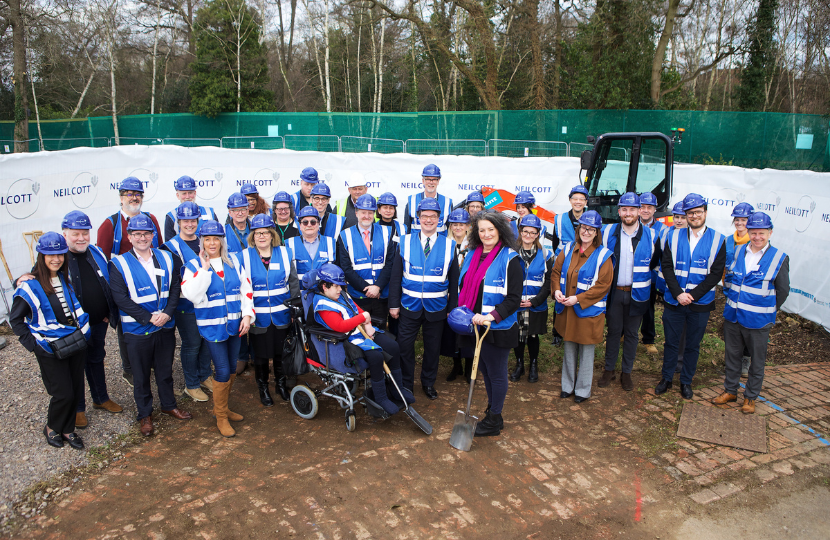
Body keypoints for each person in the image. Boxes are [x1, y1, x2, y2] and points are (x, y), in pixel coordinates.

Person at [109, 215, 192, 437]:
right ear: (129, 237)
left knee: (165, 370)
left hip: (164, 325)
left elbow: (176, 287)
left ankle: (168, 404)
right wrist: (147, 318)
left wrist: (166, 313)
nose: (142, 238)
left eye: (146, 233)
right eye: (137, 234)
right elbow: (120, 298)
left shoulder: (167, 257)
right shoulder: (119, 263)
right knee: (141, 375)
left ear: (153, 235)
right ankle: (144, 414)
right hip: (137, 330)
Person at [11, 232, 91, 450]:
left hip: (74, 342)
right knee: (62, 392)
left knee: (75, 389)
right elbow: (15, 319)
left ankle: (68, 429)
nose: (56, 259)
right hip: (49, 346)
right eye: (50, 255)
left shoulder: (64, 279)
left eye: (60, 255)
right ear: (41, 256)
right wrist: (33, 345)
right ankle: (52, 427)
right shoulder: (29, 285)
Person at [181, 220, 254, 437]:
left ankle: (221, 408)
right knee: (222, 370)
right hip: (213, 329)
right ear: (202, 242)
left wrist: (248, 315)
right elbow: (192, 295)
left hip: (235, 325)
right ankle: (220, 416)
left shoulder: (233, 261)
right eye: (207, 240)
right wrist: (204, 270)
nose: (212, 243)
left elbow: (246, 289)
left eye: (216, 239)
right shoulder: (193, 266)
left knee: (232, 369)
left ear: (222, 241)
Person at [712, 212, 789, 414]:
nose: (757, 237)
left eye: (761, 233)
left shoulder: (779, 258)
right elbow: (728, 279)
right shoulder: (738, 252)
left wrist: (766, 309)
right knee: (732, 356)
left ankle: (750, 397)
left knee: (757, 361)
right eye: (753, 233)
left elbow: (783, 290)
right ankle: (730, 390)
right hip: (733, 317)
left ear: (770, 233)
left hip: (759, 320)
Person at [310, 263, 412, 415]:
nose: (340, 289)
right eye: (336, 286)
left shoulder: (341, 294)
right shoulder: (322, 304)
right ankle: (381, 398)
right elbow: (341, 326)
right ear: (324, 286)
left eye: (341, 286)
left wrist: (368, 323)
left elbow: (358, 310)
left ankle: (397, 390)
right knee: (376, 356)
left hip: (362, 331)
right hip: (345, 340)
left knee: (393, 346)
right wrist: (364, 317)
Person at [456, 211, 522, 437]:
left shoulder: (511, 258)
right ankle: (494, 412)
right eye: (481, 230)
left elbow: (514, 299)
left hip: (496, 327)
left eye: (491, 229)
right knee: (483, 369)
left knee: (496, 372)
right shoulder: (472, 254)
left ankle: (494, 419)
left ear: (500, 230)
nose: (486, 234)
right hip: (475, 325)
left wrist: (491, 316)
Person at [656, 193, 726, 400]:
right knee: (671, 342)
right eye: (690, 213)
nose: (694, 216)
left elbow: (715, 274)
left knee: (692, 345)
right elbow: (666, 266)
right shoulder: (673, 235)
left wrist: (692, 295)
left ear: (705, 212)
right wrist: (678, 293)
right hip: (674, 300)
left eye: (698, 212)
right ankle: (666, 378)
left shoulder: (718, 240)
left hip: (700, 303)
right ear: (685, 215)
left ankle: (686, 381)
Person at [389, 197, 459, 400]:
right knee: (404, 347)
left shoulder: (449, 245)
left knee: (432, 349)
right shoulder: (404, 242)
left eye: (433, 216)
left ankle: (428, 383)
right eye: (425, 216)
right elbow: (395, 277)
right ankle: (406, 384)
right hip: (409, 306)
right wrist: (393, 304)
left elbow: (453, 282)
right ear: (418, 218)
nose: (429, 220)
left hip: (437, 307)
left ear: (440, 219)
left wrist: (451, 308)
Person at [96, 176, 162, 387]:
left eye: (138, 194)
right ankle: (129, 369)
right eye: (129, 194)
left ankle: (150, 361)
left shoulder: (150, 218)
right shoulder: (110, 224)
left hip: (151, 282)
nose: (134, 198)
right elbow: (101, 260)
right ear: (121, 197)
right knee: (127, 327)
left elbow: (159, 249)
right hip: (124, 286)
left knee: (152, 321)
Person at [598, 193, 658, 391]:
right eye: (624, 209)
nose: (628, 213)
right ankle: (609, 370)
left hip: (637, 294)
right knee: (614, 331)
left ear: (639, 211)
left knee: (632, 334)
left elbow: (655, 263)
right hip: (614, 293)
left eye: (632, 209)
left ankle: (627, 373)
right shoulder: (608, 232)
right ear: (619, 212)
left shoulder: (651, 235)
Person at [552, 210, 613, 403]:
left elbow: (603, 286)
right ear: (578, 229)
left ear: (597, 232)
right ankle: (567, 386)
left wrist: (577, 299)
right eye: (583, 228)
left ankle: (583, 390)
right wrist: (556, 291)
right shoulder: (569, 248)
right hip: (567, 310)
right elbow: (555, 272)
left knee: (586, 352)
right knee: (569, 348)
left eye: (591, 229)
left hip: (588, 312)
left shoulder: (604, 255)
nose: (586, 232)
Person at [241, 214, 299, 406]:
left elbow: (293, 284)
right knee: (260, 355)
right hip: (259, 317)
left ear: (272, 234)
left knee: (281, 353)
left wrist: (293, 310)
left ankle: (281, 385)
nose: (262, 236)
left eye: (265, 232)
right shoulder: (244, 256)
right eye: (258, 233)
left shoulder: (284, 253)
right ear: (253, 236)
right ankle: (263, 388)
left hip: (281, 314)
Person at [162, 202, 214, 403]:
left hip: (207, 302)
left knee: (206, 340)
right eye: (185, 221)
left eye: (193, 220)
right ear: (179, 222)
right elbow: (173, 280)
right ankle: (191, 384)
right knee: (192, 343)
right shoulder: (170, 247)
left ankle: (204, 375)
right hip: (186, 305)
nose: (190, 224)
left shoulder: (204, 242)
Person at [337, 194, 396, 327]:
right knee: (360, 332)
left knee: (380, 332)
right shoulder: (344, 235)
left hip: (381, 296)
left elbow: (390, 264)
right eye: (363, 212)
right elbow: (346, 268)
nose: (367, 216)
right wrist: (368, 290)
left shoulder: (387, 232)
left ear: (375, 214)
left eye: (370, 213)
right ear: (356, 213)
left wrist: (378, 287)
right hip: (358, 296)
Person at [509, 214, 553, 384]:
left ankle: (533, 364)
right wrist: (514, 299)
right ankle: (519, 364)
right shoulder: (511, 253)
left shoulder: (546, 255)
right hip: (517, 304)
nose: (528, 235)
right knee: (518, 336)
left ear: (537, 234)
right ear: (520, 232)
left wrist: (536, 301)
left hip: (536, 305)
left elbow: (549, 281)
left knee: (533, 337)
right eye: (525, 231)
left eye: (532, 232)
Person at [723, 202, 755, 377]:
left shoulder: (755, 240)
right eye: (737, 219)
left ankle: (746, 358)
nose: (740, 223)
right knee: (732, 329)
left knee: (746, 328)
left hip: (748, 293)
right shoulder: (728, 240)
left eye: (744, 219)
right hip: (730, 292)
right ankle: (733, 360)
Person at [656, 202, 688, 374]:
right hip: (669, 288)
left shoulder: (692, 238)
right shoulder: (667, 233)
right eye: (677, 217)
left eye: (683, 217)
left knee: (684, 331)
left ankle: (681, 363)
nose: (679, 221)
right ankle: (670, 362)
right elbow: (661, 260)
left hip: (686, 292)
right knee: (671, 328)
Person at [443, 208, 473, 382]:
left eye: (462, 224)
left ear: (468, 226)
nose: (458, 227)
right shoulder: (446, 245)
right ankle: (456, 366)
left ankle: (469, 368)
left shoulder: (475, 246)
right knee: (452, 330)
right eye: (455, 224)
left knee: (468, 329)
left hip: (469, 294)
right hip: (450, 294)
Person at [638, 192, 667, 356]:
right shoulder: (633, 225)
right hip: (633, 276)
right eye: (642, 207)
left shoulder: (663, 230)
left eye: (649, 207)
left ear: (655, 209)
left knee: (648, 309)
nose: (645, 210)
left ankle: (648, 340)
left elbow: (663, 255)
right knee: (627, 306)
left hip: (652, 277)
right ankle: (622, 334)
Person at [285, 206, 336, 281]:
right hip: (300, 291)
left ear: (318, 224)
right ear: (300, 225)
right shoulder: (289, 244)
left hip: (324, 291)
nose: (309, 225)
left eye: (313, 222)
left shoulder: (331, 243)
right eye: (305, 222)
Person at [403, 164, 453, 236]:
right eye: (428, 179)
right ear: (423, 181)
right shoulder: (412, 201)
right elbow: (406, 229)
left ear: (438, 181)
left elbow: (450, 231)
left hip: (439, 245)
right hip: (417, 245)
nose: (431, 182)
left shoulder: (447, 202)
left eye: (434, 179)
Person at [164, 175, 217, 242]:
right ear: (178, 195)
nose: (187, 196)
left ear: (195, 193)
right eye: (184, 193)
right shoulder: (171, 216)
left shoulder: (209, 212)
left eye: (190, 193)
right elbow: (170, 246)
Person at [551, 185, 589, 256]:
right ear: (570, 200)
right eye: (575, 199)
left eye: (581, 199)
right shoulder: (560, 219)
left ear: (586, 202)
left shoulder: (591, 221)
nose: (578, 202)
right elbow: (555, 244)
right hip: (562, 263)